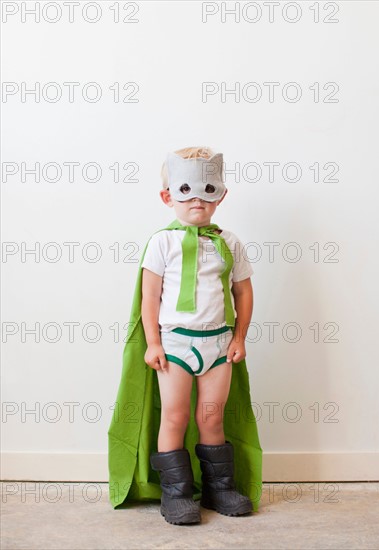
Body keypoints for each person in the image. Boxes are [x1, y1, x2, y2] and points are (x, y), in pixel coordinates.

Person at [107, 146, 262, 525]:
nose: (197, 199)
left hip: (218, 344)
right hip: (176, 344)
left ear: (221, 194)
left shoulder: (230, 242)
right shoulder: (162, 242)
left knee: (212, 417)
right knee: (174, 417)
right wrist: (154, 343)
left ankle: (219, 488)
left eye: (208, 189)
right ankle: (175, 493)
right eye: (186, 189)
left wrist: (239, 338)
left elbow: (242, 291)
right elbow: (149, 296)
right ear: (168, 196)